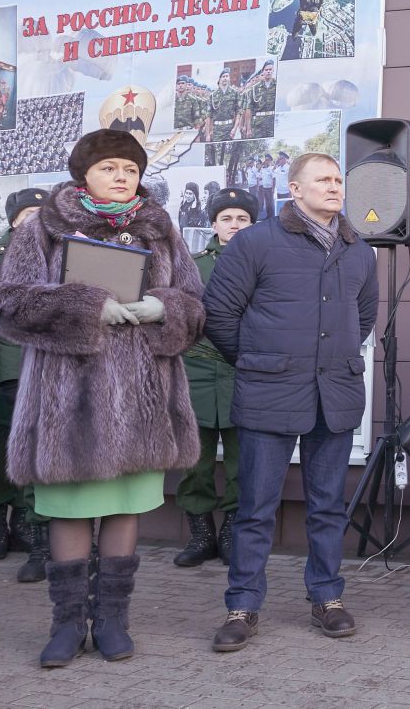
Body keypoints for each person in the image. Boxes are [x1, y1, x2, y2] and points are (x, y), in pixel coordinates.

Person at [0, 129, 205, 667]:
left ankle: (111, 621)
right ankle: (65, 624)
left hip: (143, 405)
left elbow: (198, 306)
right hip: (69, 405)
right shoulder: (43, 228)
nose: (122, 177)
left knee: (126, 508)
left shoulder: (161, 230)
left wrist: (165, 308)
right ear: (83, 174)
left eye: (130, 169)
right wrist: (86, 309)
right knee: (70, 511)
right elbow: (6, 304)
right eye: (110, 167)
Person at [203, 153, 378, 653]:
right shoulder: (256, 242)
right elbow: (219, 315)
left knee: (328, 506)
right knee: (256, 507)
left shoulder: (359, 251)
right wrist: (261, 361)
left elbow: (361, 320)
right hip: (268, 393)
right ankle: (242, 606)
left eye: (339, 179)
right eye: (323, 179)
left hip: (335, 395)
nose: (335, 186)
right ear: (294, 189)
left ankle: (327, 596)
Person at [173, 188, 259, 568]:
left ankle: (232, 533)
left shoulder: (265, 263)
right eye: (227, 218)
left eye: (242, 219)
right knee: (196, 460)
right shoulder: (192, 266)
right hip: (198, 372)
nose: (234, 225)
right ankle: (201, 534)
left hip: (245, 373)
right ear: (213, 224)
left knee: (245, 461)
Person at [0, 189, 48, 582]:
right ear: (13, 220)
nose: (35, 220)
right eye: (28, 213)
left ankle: (31, 529)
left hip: (38, 381)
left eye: (42, 213)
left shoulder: (56, 262)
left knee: (34, 460)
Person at [207, 69, 239, 143]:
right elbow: (209, 116)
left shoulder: (235, 93)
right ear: (220, 79)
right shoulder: (213, 95)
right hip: (217, 129)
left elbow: (238, 112)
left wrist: (234, 128)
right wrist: (208, 134)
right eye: (223, 76)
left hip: (230, 128)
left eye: (227, 76)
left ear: (229, 78)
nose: (225, 78)